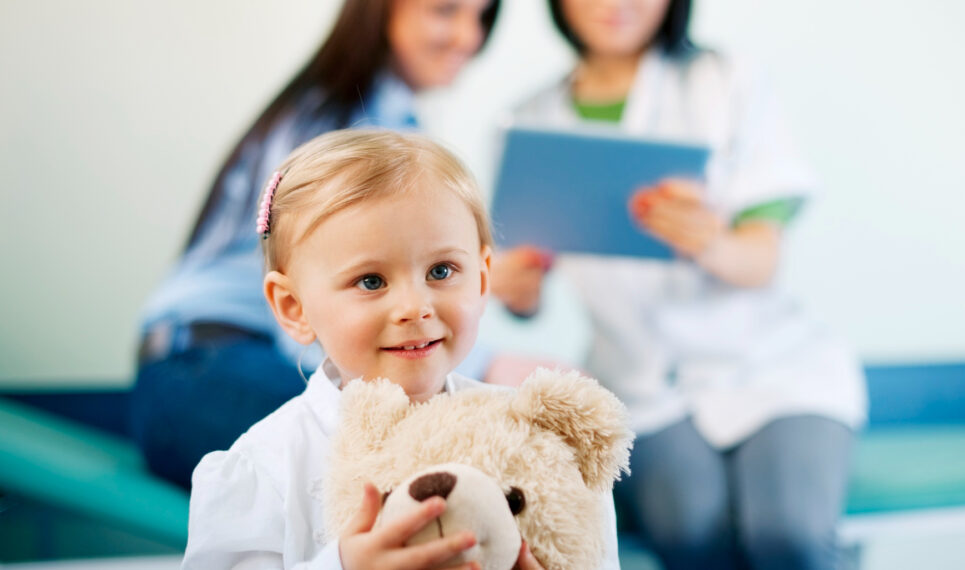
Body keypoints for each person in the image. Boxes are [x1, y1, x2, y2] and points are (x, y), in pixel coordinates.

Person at [495, 1, 868, 568]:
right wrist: (515, 287)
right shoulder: (526, 120)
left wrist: (709, 241)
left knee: (786, 535)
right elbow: (525, 292)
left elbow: (762, 257)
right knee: (692, 530)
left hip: (777, 370)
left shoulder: (726, 82)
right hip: (641, 387)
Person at [182, 129, 620, 569]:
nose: (415, 307)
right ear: (294, 306)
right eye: (370, 281)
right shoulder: (266, 469)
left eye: (442, 270)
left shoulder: (531, 442)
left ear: (483, 279)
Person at [131, 0, 518, 489]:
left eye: (481, 17)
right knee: (439, 459)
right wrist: (486, 365)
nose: (469, 37)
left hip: (222, 365)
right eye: (445, 11)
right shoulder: (338, 132)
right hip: (201, 371)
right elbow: (334, 322)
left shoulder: (389, 122)